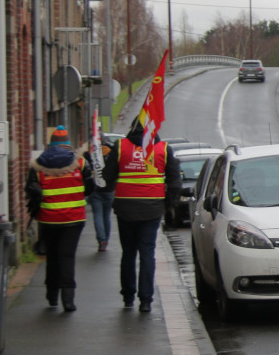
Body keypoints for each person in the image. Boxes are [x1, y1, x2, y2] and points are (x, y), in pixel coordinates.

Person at [103, 120, 181, 313]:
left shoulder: (121, 147)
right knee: (147, 254)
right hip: (152, 209)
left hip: (125, 208)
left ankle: (128, 296)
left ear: (132, 128)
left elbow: (107, 175)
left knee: (128, 253)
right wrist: (168, 205)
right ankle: (146, 300)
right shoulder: (163, 148)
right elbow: (174, 181)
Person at [26, 128, 87, 312]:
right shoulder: (80, 163)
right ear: (68, 143)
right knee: (67, 257)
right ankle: (68, 300)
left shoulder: (38, 165)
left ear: (50, 144)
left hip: (49, 218)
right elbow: (91, 187)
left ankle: (51, 295)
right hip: (74, 218)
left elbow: (30, 190)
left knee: (52, 256)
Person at [84, 136, 114, 253]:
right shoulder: (112, 154)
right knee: (107, 216)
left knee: (97, 215)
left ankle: (101, 240)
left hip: (95, 189)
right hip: (109, 189)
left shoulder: (89, 154)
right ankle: (106, 239)